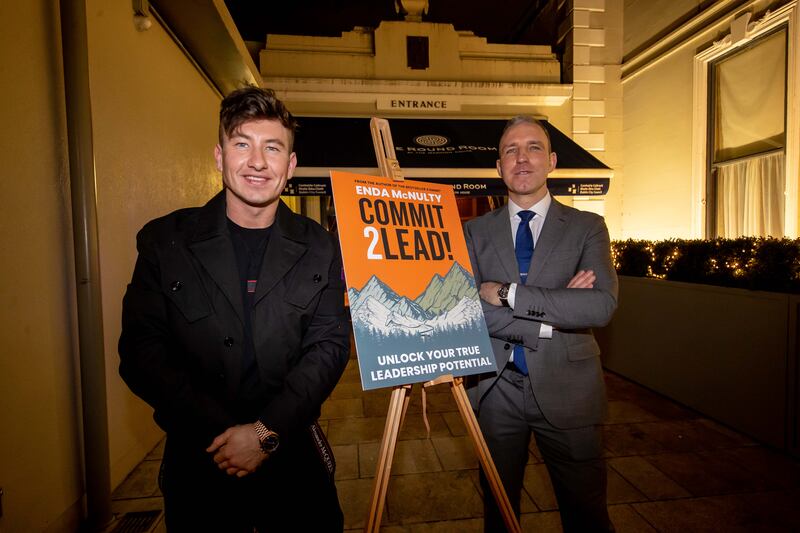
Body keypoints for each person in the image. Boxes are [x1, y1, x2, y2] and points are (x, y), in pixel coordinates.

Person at [118, 86, 350, 531]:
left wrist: (263, 434)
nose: (258, 162)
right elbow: (143, 355)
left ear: (291, 165)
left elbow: (328, 348)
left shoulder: (320, 247)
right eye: (242, 144)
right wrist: (229, 438)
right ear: (220, 157)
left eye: (273, 148)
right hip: (199, 458)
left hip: (292, 454)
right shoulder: (165, 243)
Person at [464, 116, 618, 532]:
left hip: (572, 392)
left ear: (550, 161)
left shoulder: (588, 227)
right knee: (500, 513)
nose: (521, 158)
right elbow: (464, 308)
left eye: (532, 147)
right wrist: (551, 316)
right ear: (499, 166)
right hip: (495, 391)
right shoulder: (473, 232)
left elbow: (600, 306)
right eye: (510, 150)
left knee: (587, 515)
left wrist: (506, 293)